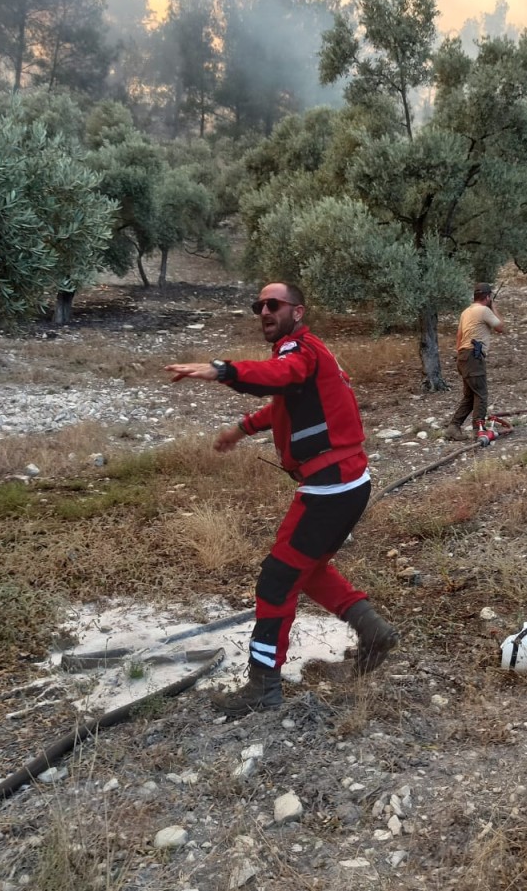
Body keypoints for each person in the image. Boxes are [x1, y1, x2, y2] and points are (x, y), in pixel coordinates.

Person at [164, 282, 398, 717]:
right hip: (345, 482)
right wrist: (241, 429)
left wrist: (223, 370)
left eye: (274, 304)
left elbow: (281, 377)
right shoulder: (301, 353)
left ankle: (262, 686)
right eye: (259, 306)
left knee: (276, 580)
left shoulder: (300, 351)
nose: (264, 311)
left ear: (298, 311)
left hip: (330, 487)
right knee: (308, 570)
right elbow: (283, 404)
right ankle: (374, 631)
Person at [444, 282, 505, 441]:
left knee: (470, 396)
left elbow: (459, 336)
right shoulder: (484, 310)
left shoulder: (466, 312)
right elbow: (500, 327)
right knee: (481, 394)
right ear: (487, 297)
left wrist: (460, 356)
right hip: (474, 357)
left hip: (463, 356)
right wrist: (494, 308)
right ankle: (478, 429)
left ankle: (453, 427)